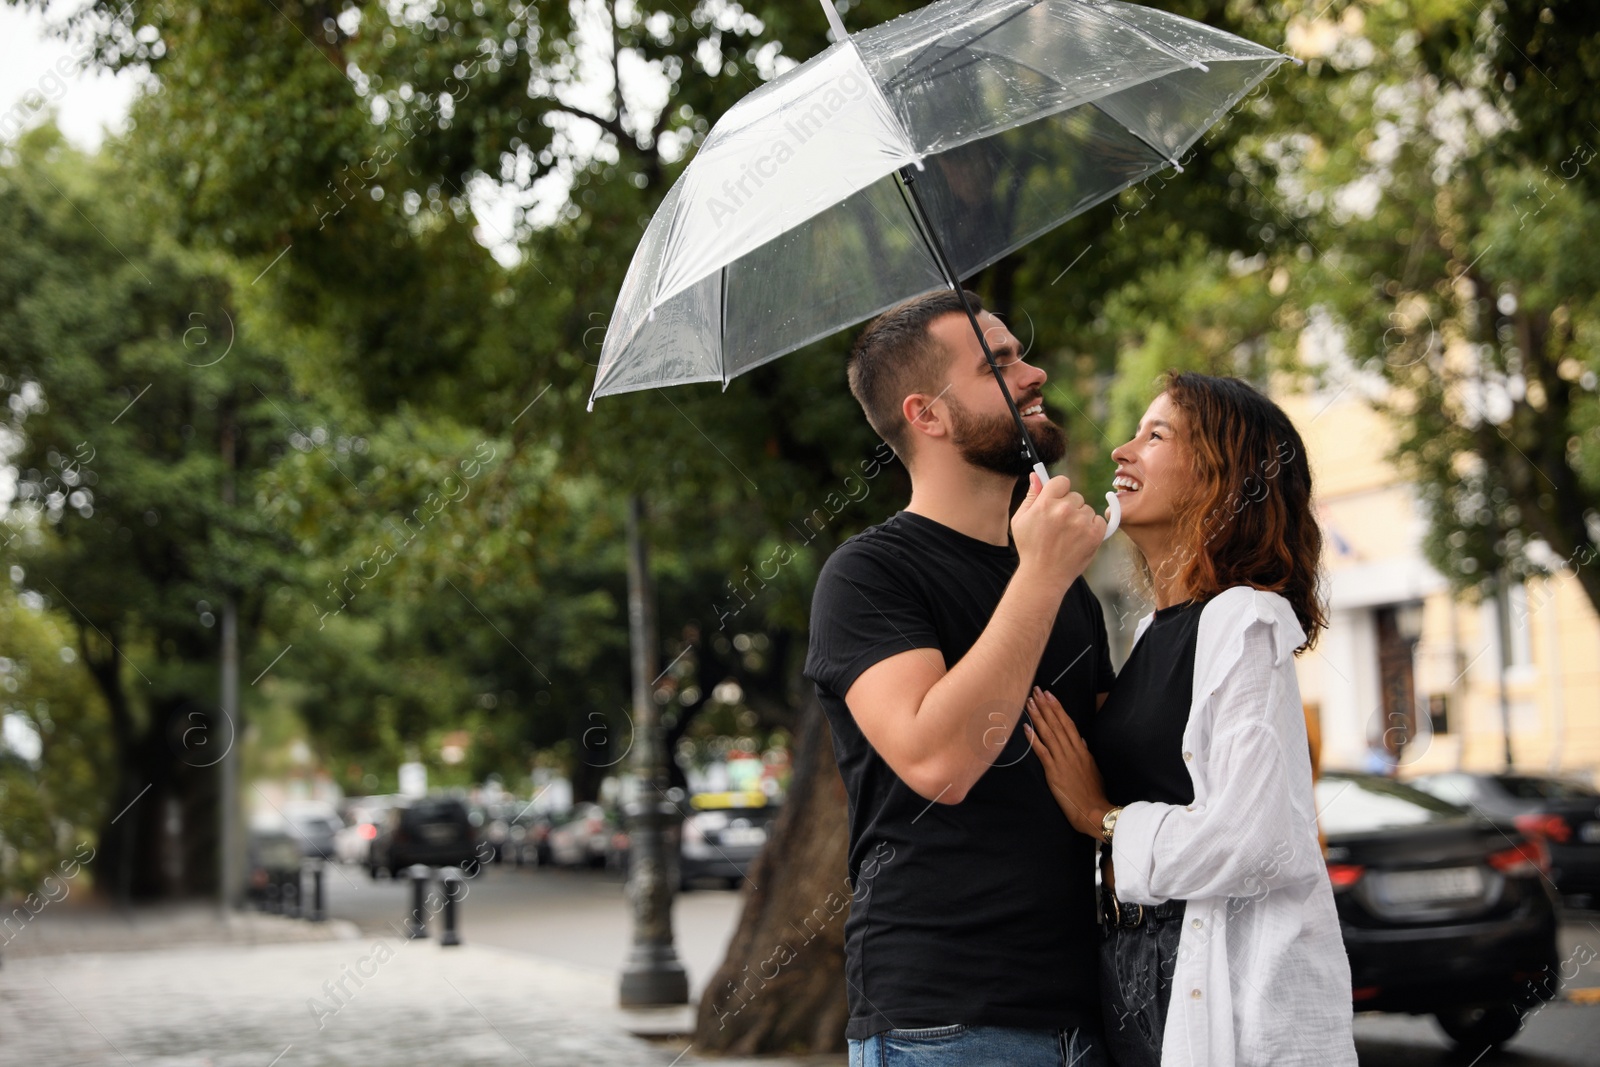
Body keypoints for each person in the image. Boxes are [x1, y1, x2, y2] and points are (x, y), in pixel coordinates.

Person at [803, 288, 1113, 1066]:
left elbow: (1110, 764)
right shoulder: (868, 576)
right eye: (999, 365)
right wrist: (1038, 577)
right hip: (947, 1020)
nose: (1033, 372)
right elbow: (940, 763)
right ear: (927, 414)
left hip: (1088, 1004)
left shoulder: (1065, 583)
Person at [1025, 372, 1356, 1067]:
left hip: (1204, 974)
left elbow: (1257, 838)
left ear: (1221, 476)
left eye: (1155, 435)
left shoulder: (1243, 621)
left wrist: (1105, 818)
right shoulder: (1155, 631)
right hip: (1131, 962)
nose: (1122, 450)